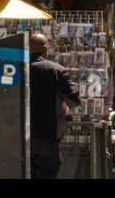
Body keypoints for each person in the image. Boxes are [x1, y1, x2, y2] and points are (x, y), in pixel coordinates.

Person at [27, 32, 80, 179]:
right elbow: (74, 98)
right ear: (45, 49)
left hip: (22, 136)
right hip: (48, 135)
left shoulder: (18, 69)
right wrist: (64, 104)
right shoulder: (56, 70)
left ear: (28, 49)